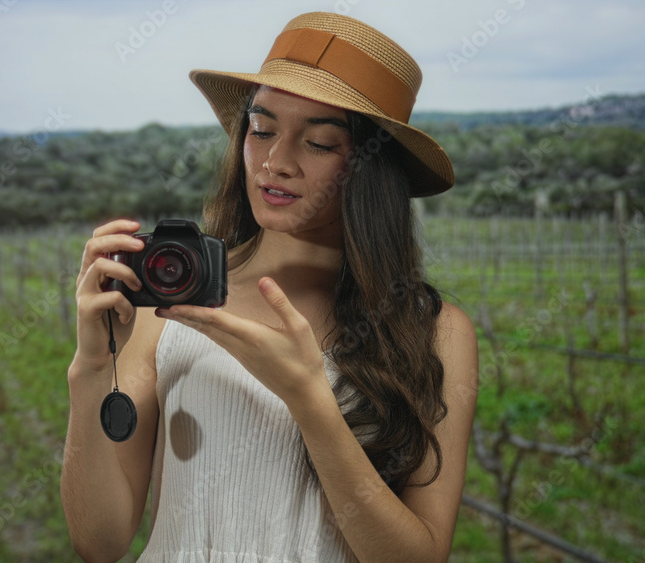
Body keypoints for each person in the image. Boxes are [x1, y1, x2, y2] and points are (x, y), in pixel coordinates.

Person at [61, 11, 478, 563]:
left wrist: (310, 400)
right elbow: (100, 540)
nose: (275, 163)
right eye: (261, 130)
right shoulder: (170, 300)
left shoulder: (437, 333)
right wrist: (90, 369)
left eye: (321, 143)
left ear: (372, 169)